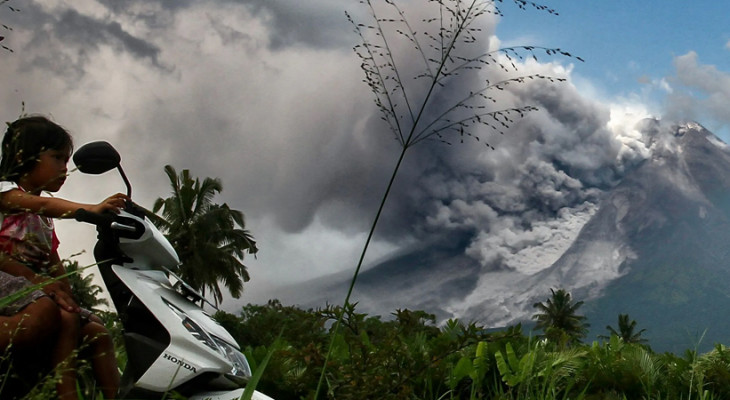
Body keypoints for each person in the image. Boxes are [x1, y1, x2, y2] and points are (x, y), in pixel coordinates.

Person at [0, 115, 127, 400]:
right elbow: (43, 204)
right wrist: (90, 210)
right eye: (57, 157)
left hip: (35, 289)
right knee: (46, 313)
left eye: (66, 160)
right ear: (25, 156)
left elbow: (53, 259)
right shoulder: (5, 193)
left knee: (96, 332)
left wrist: (67, 295)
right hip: (8, 282)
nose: (64, 168)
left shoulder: (44, 221)